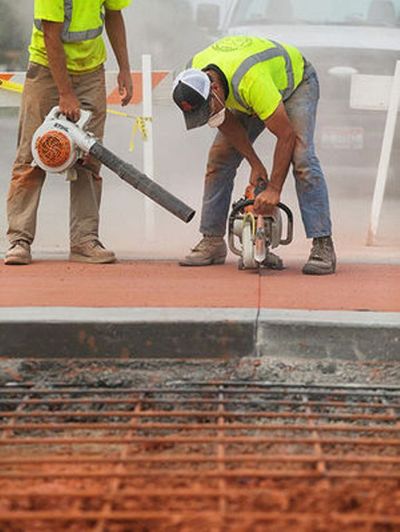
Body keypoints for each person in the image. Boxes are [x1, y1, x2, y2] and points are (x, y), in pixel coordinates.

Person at [172, 35, 336, 275]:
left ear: (215, 89)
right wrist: (255, 164)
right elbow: (223, 120)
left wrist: (274, 190)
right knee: (220, 158)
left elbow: (286, 135)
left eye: (208, 109)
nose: (207, 115)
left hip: (294, 85)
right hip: (244, 92)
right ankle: (212, 240)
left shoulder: (251, 80)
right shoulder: (190, 78)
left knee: (302, 159)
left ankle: (323, 245)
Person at [4, 0, 133, 265]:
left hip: (91, 71)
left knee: (89, 158)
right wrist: (65, 93)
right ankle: (19, 240)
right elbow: (51, 34)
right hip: (46, 70)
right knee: (32, 155)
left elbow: (114, 15)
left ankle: (84, 240)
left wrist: (124, 69)